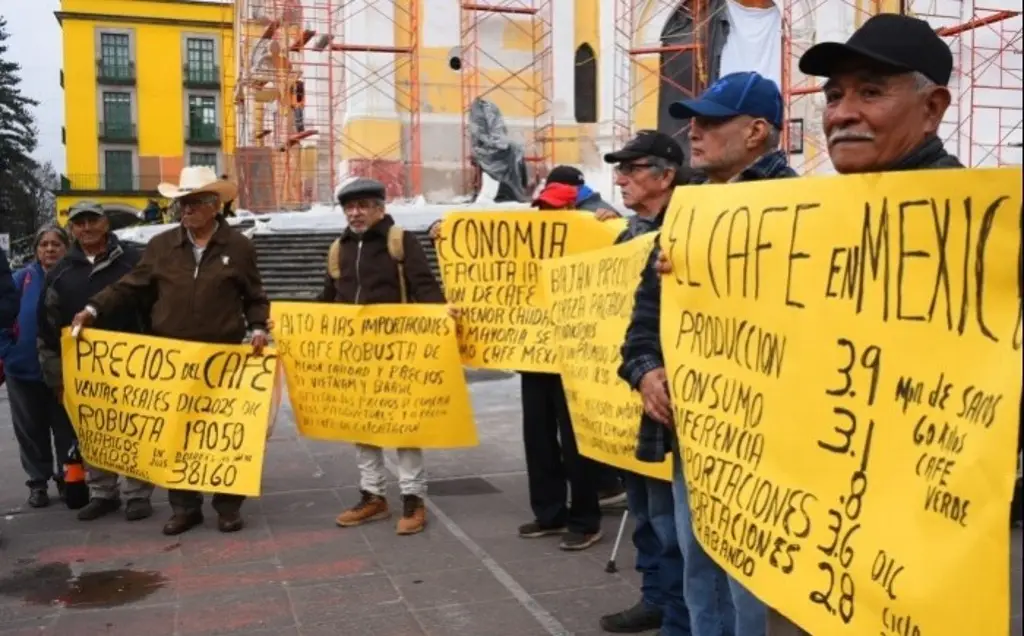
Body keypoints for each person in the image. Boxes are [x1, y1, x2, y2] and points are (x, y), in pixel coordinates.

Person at [620, 72, 796, 636]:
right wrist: (647, 373)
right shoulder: (688, 210)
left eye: (712, 122)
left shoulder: (803, 207)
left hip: (763, 433)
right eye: (693, 121)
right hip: (694, 425)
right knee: (698, 560)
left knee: (749, 579)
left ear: (757, 131)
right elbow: (643, 321)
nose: (694, 133)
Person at [70, 167, 270, 536]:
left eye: (192, 203)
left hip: (223, 360)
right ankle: (185, 507)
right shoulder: (162, 246)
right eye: (181, 203)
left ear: (214, 205)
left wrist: (257, 326)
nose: (184, 209)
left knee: (224, 435)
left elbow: (254, 296)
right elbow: (130, 285)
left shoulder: (239, 247)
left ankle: (227, 507)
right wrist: (94, 309)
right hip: (172, 361)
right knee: (177, 435)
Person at [596, 130, 691, 635]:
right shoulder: (628, 234)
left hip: (673, 397)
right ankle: (655, 597)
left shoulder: (690, 226)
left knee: (673, 521)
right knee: (645, 511)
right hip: (634, 388)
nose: (621, 178)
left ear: (665, 175)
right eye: (621, 169)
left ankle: (677, 611)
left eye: (632, 169)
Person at [326, 177, 446, 536]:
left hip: (399, 350)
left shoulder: (399, 241)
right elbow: (327, 298)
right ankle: (373, 496)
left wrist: (440, 318)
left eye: (363, 206)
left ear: (380, 208)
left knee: (404, 426)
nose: (355, 213)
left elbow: (425, 286)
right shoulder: (339, 248)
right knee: (362, 425)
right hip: (356, 352)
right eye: (349, 207)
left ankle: (413, 498)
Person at [36, 202, 156, 521]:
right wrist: (57, 379)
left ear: (105, 223)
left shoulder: (133, 259)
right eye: (79, 223)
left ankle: (137, 493)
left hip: (134, 365)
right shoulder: (60, 272)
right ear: (72, 229)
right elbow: (47, 331)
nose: (86, 227)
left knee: (134, 430)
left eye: (92, 220)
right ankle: (103, 492)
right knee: (93, 431)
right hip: (84, 373)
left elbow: (156, 305)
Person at [516, 177, 607, 551]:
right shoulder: (529, 245)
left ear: (572, 211)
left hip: (576, 356)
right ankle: (550, 513)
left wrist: (604, 228)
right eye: (543, 209)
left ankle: (585, 519)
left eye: (554, 209)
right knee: (537, 438)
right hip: (535, 355)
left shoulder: (594, 237)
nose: (546, 216)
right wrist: (447, 232)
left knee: (575, 442)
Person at [1, 226, 75, 508]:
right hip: (22, 370)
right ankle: (38, 482)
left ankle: (67, 478)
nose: (50, 249)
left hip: (63, 372)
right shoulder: (22, 279)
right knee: (30, 430)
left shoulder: (72, 278)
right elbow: (4, 313)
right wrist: (8, 351)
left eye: (56, 244)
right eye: (44, 244)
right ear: (36, 250)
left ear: (66, 248)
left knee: (65, 428)